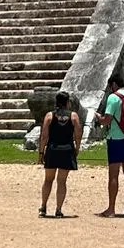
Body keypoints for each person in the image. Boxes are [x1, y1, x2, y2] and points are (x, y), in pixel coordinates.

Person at [94, 74, 124, 217]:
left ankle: (111, 209)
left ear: (113, 84)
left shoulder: (113, 98)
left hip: (116, 139)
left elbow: (107, 120)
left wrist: (98, 118)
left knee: (113, 174)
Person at [38, 90, 80, 218]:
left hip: (53, 149)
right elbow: (78, 135)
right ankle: (58, 209)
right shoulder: (73, 116)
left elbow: (44, 136)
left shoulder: (50, 116)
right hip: (67, 150)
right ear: (67, 102)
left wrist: (41, 151)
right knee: (62, 181)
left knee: (48, 180)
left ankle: (43, 206)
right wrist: (77, 148)